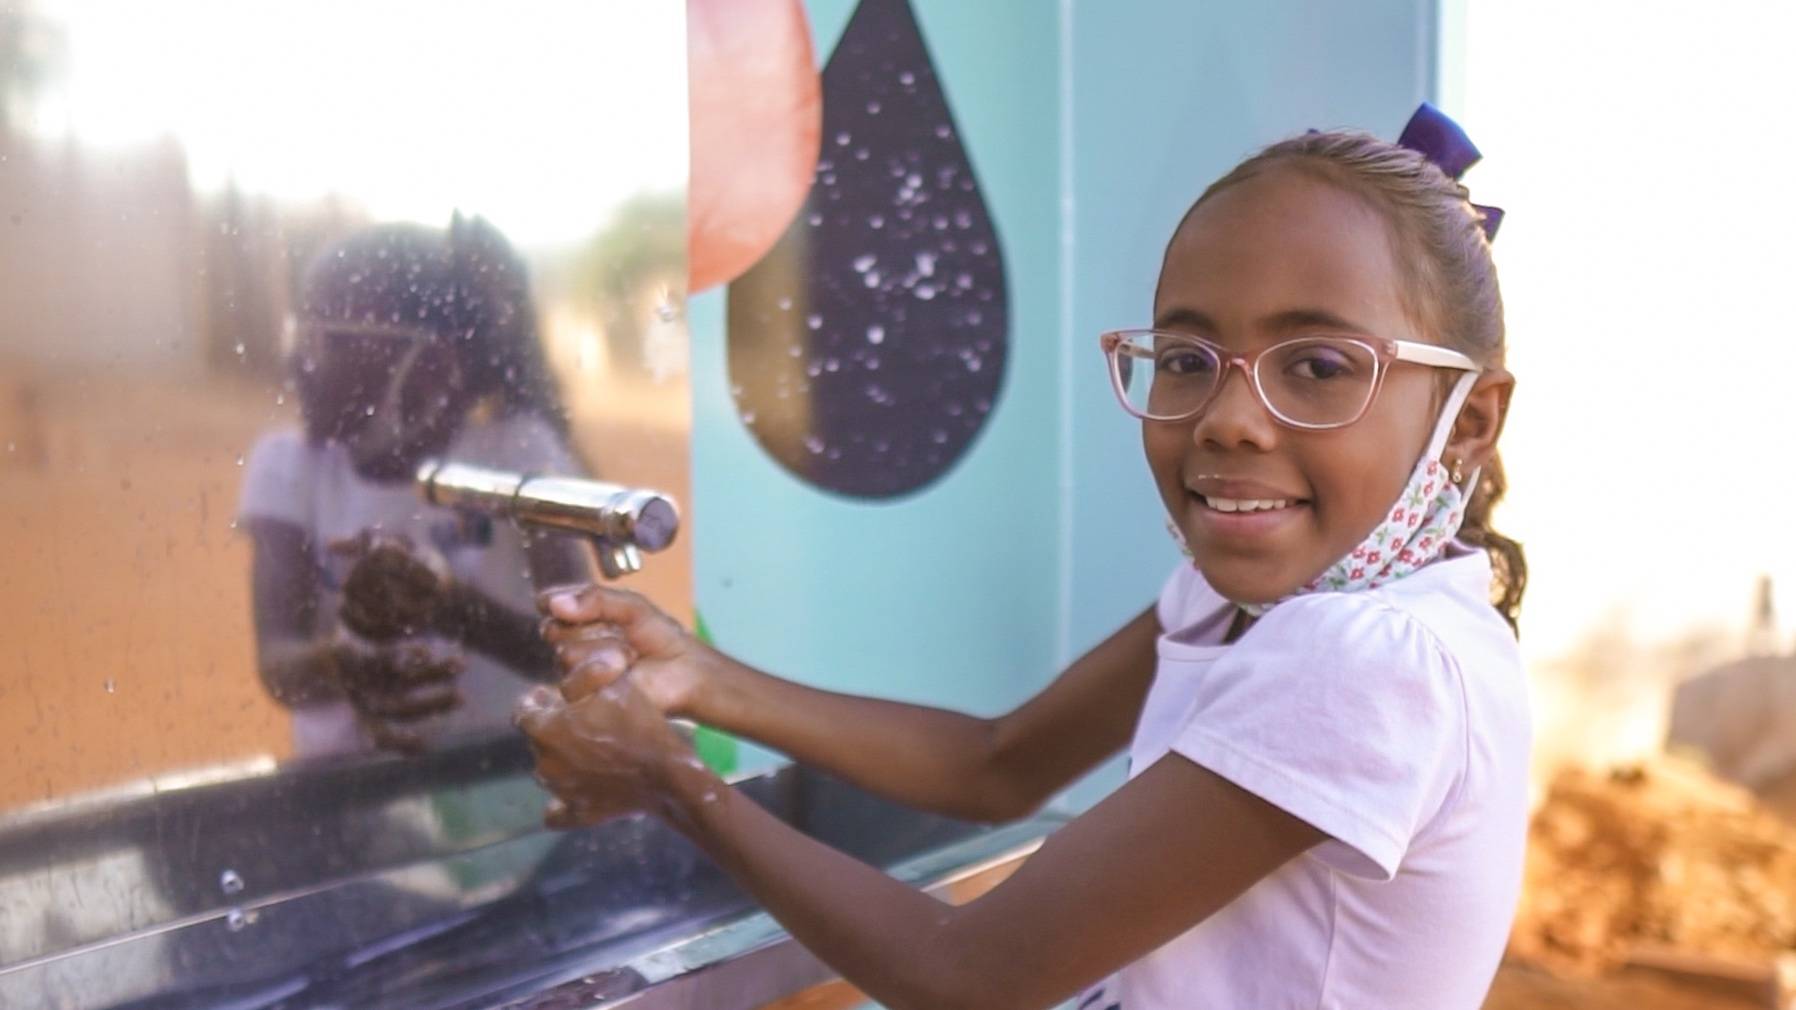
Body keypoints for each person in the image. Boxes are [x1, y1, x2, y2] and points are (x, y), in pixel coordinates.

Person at [515, 104, 1530, 1010]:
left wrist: (670, 781)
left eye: (1315, 368)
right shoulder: (1261, 601)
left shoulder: (1371, 655)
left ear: (1468, 418)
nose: (1227, 420)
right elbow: (998, 763)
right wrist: (706, 679)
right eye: (1184, 360)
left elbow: (969, 973)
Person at [240, 215, 591, 757]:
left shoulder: (516, 454)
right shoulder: (287, 467)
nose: (295, 361)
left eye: (322, 340)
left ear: (431, 365)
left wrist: (450, 608)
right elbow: (278, 663)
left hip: (492, 783)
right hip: (346, 795)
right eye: (298, 333)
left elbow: (575, 654)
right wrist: (345, 662)